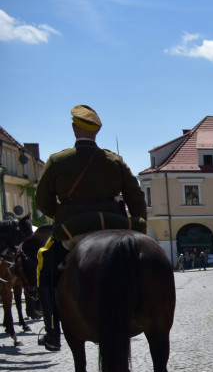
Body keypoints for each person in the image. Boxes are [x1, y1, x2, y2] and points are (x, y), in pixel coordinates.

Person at [35, 104, 148, 351]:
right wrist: (138, 225)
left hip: (73, 230)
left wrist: (61, 216)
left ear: (75, 128)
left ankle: (52, 330)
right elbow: (136, 198)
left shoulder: (58, 161)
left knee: (45, 265)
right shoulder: (114, 161)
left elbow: (42, 201)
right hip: (116, 224)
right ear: (96, 131)